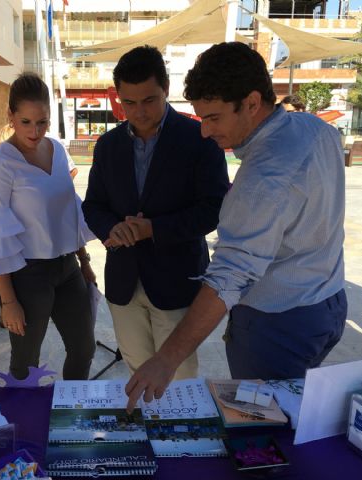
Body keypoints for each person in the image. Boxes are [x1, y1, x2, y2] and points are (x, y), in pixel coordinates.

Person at [126, 42, 347, 410]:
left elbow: (229, 276)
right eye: (201, 118)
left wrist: (167, 359)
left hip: (278, 325)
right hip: (328, 306)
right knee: (296, 415)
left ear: (251, 102)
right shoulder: (314, 129)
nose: (205, 132)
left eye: (213, 118)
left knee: (265, 436)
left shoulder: (263, 179)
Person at [82, 45, 229, 380]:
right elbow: (92, 205)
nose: (139, 112)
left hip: (176, 282)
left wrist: (155, 229)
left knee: (178, 374)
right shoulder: (108, 146)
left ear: (166, 89)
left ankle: (178, 431)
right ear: (117, 96)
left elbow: (214, 209)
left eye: (149, 100)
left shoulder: (199, 138)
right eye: (128, 102)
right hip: (123, 282)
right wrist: (112, 229)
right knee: (137, 367)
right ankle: (148, 429)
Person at [0, 72, 96, 380]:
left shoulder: (57, 149)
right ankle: (24, 422)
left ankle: (71, 411)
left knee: (84, 348)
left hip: (67, 268)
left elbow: (69, 213)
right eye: (26, 121)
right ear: (10, 116)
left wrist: (84, 262)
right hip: (27, 275)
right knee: (26, 361)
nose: (35, 130)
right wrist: (9, 301)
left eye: (42, 121)